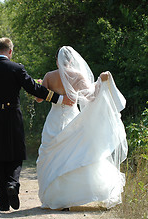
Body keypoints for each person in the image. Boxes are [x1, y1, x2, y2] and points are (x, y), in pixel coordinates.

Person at [0, 37, 73, 211]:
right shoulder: (17, 68)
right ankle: (12, 183)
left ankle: (3, 202)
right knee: (16, 154)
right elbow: (34, 88)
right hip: (12, 116)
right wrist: (60, 98)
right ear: (10, 51)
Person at [36, 46, 128, 210]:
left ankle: (59, 198)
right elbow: (91, 96)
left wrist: (40, 86)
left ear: (57, 60)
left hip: (54, 121)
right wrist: (100, 83)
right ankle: (71, 197)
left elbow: (38, 98)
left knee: (52, 157)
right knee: (74, 156)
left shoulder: (49, 76)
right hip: (73, 119)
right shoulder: (77, 75)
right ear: (71, 60)